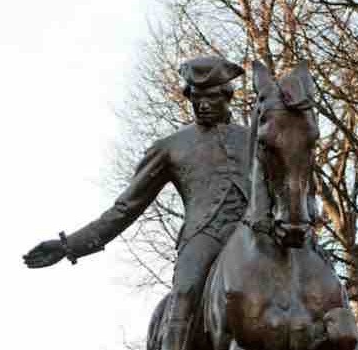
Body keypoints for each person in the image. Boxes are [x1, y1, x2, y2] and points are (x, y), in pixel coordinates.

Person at [23, 56, 251, 350]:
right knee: (184, 292)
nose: (203, 105)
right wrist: (69, 245)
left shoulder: (255, 138)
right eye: (196, 98)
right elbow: (125, 208)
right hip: (205, 236)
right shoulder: (170, 147)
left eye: (211, 97)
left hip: (254, 232)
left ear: (227, 95)